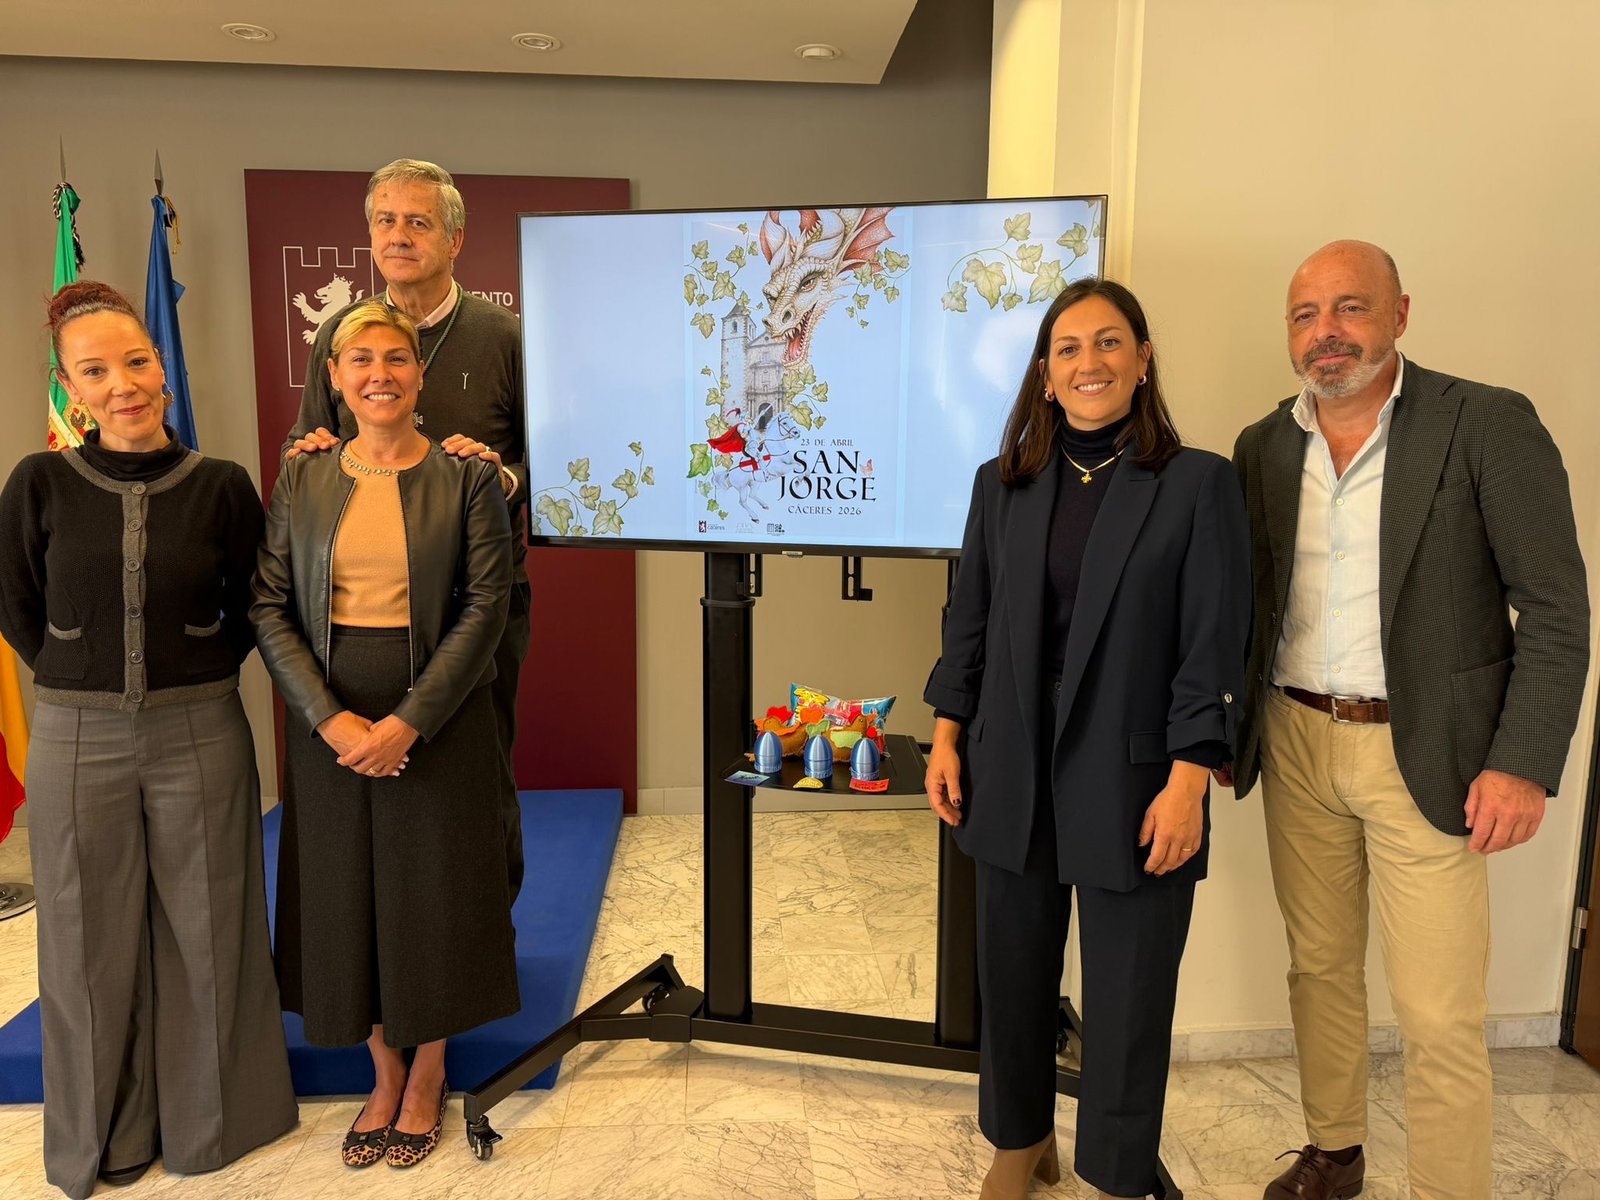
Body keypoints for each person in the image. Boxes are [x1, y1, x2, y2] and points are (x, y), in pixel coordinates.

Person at [1228, 241, 1589, 1200]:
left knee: (1437, 1012)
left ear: (1400, 314)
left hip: (1427, 751)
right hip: (1296, 738)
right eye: (1305, 314)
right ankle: (1334, 1151)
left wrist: (1522, 762)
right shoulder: (1264, 446)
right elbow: (1251, 603)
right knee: (1319, 969)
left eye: (1350, 307)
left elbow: (1556, 608)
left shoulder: (1485, 423)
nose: (1327, 332)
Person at [924, 278, 1251, 1199]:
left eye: (1109, 342)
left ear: (1143, 361)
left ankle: (1114, 1173)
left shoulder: (1198, 485)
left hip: (1139, 776)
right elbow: (969, 623)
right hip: (1010, 765)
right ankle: (1020, 1142)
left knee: (1128, 998)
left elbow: (1213, 643)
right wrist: (948, 735)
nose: (1089, 362)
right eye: (1068, 348)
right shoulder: (1003, 484)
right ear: (1046, 373)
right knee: (1013, 976)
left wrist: (1190, 781)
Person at [0, 281, 296, 1198]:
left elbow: (255, 605)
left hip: (200, 729)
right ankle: (107, 1134)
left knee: (211, 928)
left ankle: (214, 1125)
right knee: (86, 942)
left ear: (161, 365)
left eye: (136, 362)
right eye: (95, 372)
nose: (122, 385)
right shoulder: (40, 481)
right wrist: (77, 668)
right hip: (74, 739)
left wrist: (198, 659)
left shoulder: (221, 485)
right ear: (69, 388)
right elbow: (16, 603)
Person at [252, 300, 519, 1169]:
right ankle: (383, 1068)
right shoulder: (302, 476)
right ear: (333, 377)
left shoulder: (468, 477)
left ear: (420, 374)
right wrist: (328, 718)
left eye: (396, 358)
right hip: (329, 713)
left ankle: (429, 1068)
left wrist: (410, 722)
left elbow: (487, 607)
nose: (379, 374)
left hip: (438, 709)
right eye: (359, 358)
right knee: (344, 894)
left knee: (432, 892)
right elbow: (268, 604)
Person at [283, 158, 531, 904]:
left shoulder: (505, 336)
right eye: (385, 221)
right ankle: (394, 944)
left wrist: (500, 478)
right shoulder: (341, 334)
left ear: (455, 238)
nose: (399, 236)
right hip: (367, 608)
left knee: (481, 768)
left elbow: (554, 464)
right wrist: (311, 453)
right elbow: (308, 441)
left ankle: (489, 930)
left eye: (418, 222)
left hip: (480, 598)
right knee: (380, 776)